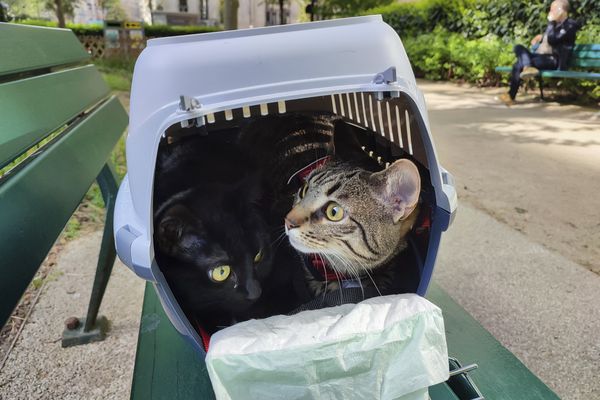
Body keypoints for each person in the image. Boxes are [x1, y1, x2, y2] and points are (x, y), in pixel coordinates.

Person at [499, 0, 580, 105]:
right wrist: (541, 36)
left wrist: (551, 22)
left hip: (554, 60)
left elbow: (552, 39)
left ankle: (511, 95)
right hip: (541, 57)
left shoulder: (570, 25)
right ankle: (527, 67)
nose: (550, 12)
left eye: (552, 9)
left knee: (518, 64)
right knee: (518, 47)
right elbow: (550, 37)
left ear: (561, 10)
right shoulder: (556, 24)